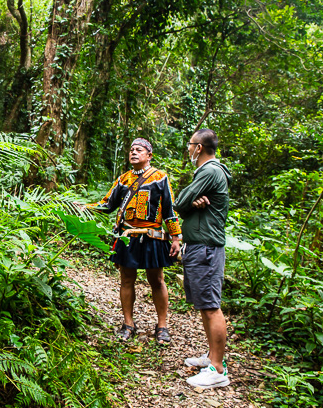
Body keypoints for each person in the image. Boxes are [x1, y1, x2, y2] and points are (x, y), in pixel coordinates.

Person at [84, 138, 181, 344]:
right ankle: (128, 324)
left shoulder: (160, 177)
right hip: (128, 236)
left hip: (152, 236)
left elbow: (169, 210)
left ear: (149, 155)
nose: (134, 152)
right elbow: (107, 204)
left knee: (157, 280)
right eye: (131, 150)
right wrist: (85, 207)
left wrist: (175, 237)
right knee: (126, 280)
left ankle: (162, 326)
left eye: (139, 150)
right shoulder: (124, 179)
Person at [173, 128, 233, 389]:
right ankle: (211, 356)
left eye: (190, 144)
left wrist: (189, 200)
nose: (188, 148)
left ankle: (217, 370)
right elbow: (186, 204)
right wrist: (190, 203)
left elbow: (180, 201)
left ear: (199, 148)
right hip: (199, 246)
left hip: (207, 248)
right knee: (203, 303)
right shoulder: (206, 173)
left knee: (210, 306)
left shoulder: (210, 171)